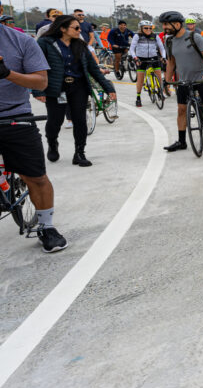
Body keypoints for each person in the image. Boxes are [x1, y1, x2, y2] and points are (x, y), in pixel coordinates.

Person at [0, 22, 67, 252]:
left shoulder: (21, 41)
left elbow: (41, 81)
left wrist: (8, 73)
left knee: (36, 177)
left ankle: (46, 227)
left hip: (14, 115)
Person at [36, 15, 117, 167]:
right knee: (55, 121)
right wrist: (37, 91)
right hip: (56, 88)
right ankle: (52, 142)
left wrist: (108, 88)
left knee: (80, 120)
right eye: (76, 28)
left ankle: (79, 153)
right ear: (63, 28)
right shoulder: (45, 43)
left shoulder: (80, 45)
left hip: (78, 87)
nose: (80, 31)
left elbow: (94, 69)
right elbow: (35, 67)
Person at [160, 11, 203, 152]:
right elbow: (171, 62)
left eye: (166, 24)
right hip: (183, 81)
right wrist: (167, 80)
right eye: (163, 25)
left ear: (177, 24)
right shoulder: (168, 41)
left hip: (200, 79)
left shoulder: (194, 37)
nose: (164, 27)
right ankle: (182, 142)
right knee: (181, 110)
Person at [129, 20, 166, 107]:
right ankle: (138, 97)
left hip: (153, 57)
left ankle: (160, 92)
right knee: (140, 79)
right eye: (146, 28)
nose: (149, 29)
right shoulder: (137, 36)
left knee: (159, 77)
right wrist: (135, 57)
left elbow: (161, 47)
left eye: (150, 28)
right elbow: (132, 48)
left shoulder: (155, 36)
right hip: (141, 59)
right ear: (141, 28)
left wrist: (163, 57)